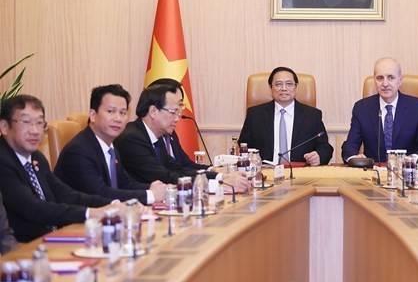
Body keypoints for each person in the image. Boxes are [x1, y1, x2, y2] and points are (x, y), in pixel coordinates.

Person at [0, 95, 118, 242]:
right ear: (4, 127)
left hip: (52, 237)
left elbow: (66, 194)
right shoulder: (3, 162)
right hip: (23, 246)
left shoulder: (36, 157)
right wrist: (89, 213)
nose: (35, 131)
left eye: (39, 123)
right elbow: (34, 209)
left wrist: (112, 204)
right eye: (26, 122)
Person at [115, 84, 250, 191]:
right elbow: (165, 177)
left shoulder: (156, 136)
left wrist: (220, 176)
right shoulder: (132, 138)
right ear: (153, 111)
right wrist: (220, 182)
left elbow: (177, 168)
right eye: (173, 112)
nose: (177, 118)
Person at [55, 84, 167, 205]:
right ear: (93, 115)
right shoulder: (78, 150)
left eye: (123, 113)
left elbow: (124, 183)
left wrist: (154, 187)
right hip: (78, 222)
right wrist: (150, 195)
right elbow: (100, 193)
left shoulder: (110, 147)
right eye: (111, 111)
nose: (118, 118)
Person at [341, 57, 418, 162]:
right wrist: (354, 158)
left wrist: (409, 160)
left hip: (406, 172)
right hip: (373, 173)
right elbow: (350, 146)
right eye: (380, 78)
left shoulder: (417, 107)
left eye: (391, 77)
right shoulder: (362, 108)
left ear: (400, 80)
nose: (385, 84)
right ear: (375, 81)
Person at [239, 67, 333, 165]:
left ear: (296, 87)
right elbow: (244, 145)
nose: (284, 89)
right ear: (271, 88)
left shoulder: (312, 115)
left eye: (289, 84)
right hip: (265, 172)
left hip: (300, 173)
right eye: (278, 84)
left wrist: (318, 156)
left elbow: (325, 147)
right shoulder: (255, 115)